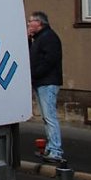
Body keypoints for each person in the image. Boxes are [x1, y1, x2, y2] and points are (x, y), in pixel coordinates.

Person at [28, 11, 64, 164]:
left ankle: (56, 150)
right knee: (47, 117)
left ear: (39, 23)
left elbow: (49, 61)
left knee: (50, 117)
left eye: (31, 22)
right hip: (41, 82)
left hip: (47, 83)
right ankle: (51, 147)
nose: (28, 24)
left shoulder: (49, 38)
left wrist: (35, 74)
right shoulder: (39, 39)